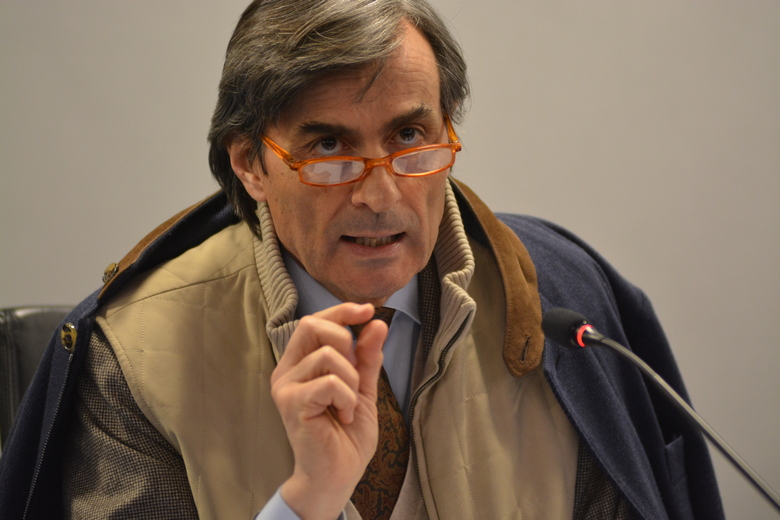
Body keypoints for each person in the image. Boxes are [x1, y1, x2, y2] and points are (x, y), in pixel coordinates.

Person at [0, 1, 724, 519]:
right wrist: (303, 504)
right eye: (328, 146)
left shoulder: (562, 305)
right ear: (250, 164)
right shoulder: (134, 359)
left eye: (410, 137)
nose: (380, 196)